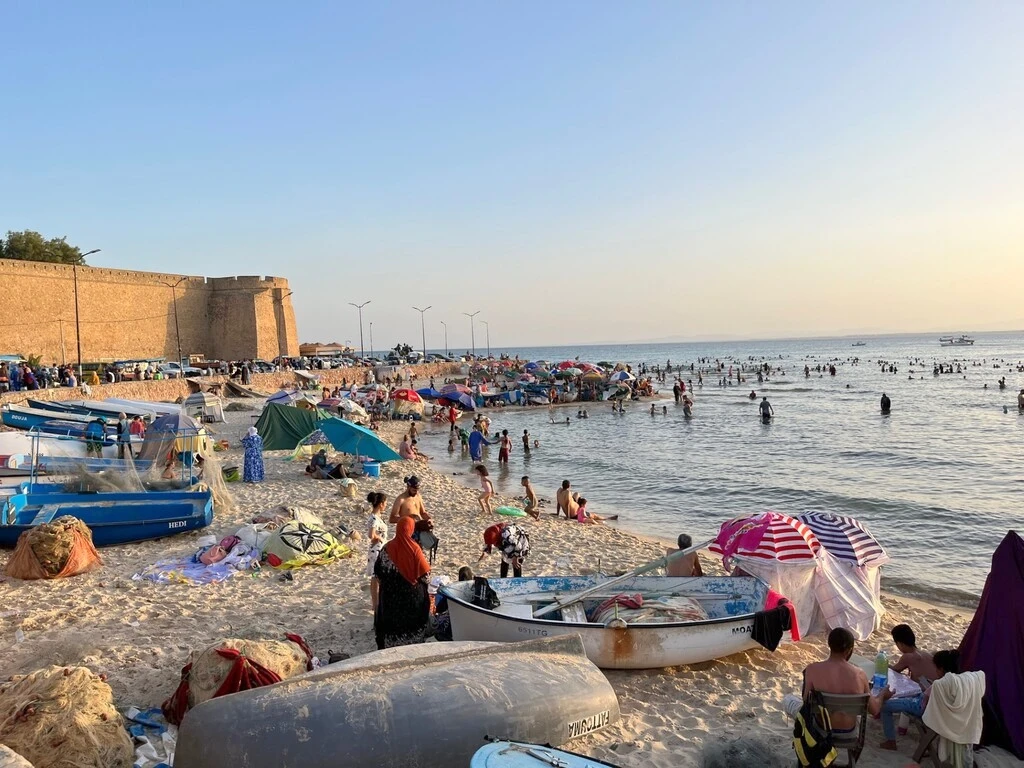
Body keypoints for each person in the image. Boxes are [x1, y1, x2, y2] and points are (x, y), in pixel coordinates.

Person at [878, 649, 960, 750]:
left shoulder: (940, 684)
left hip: (922, 708)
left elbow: (925, 700)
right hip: (939, 712)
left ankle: (890, 741)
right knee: (910, 693)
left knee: (885, 706)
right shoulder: (958, 682)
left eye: (936, 668)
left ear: (941, 669)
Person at [796, 627, 871, 732]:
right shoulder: (860, 674)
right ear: (849, 650)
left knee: (789, 700)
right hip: (848, 730)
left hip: (821, 728)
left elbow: (806, 701)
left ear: (829, 645)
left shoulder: (812, 669)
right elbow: (874, 709)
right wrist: (883, 696)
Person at [374, 516, 431, 649]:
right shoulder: (415, 549)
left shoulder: (386, 549)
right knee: (413, 629)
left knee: (392, 628)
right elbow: (425, 576)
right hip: (412, 599)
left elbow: (378, 573)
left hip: (389, 598)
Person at [366, 492, 389, 612]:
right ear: (381, 504)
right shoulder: (374, 518)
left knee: (377, 577)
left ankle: (376, 603)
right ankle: (375, 605)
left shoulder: (376, 517)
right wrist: (379, 538)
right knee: (376, 577)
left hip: (379, 549)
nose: (386, 505)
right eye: (385, 503)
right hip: (376, 550)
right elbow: (371, 534)